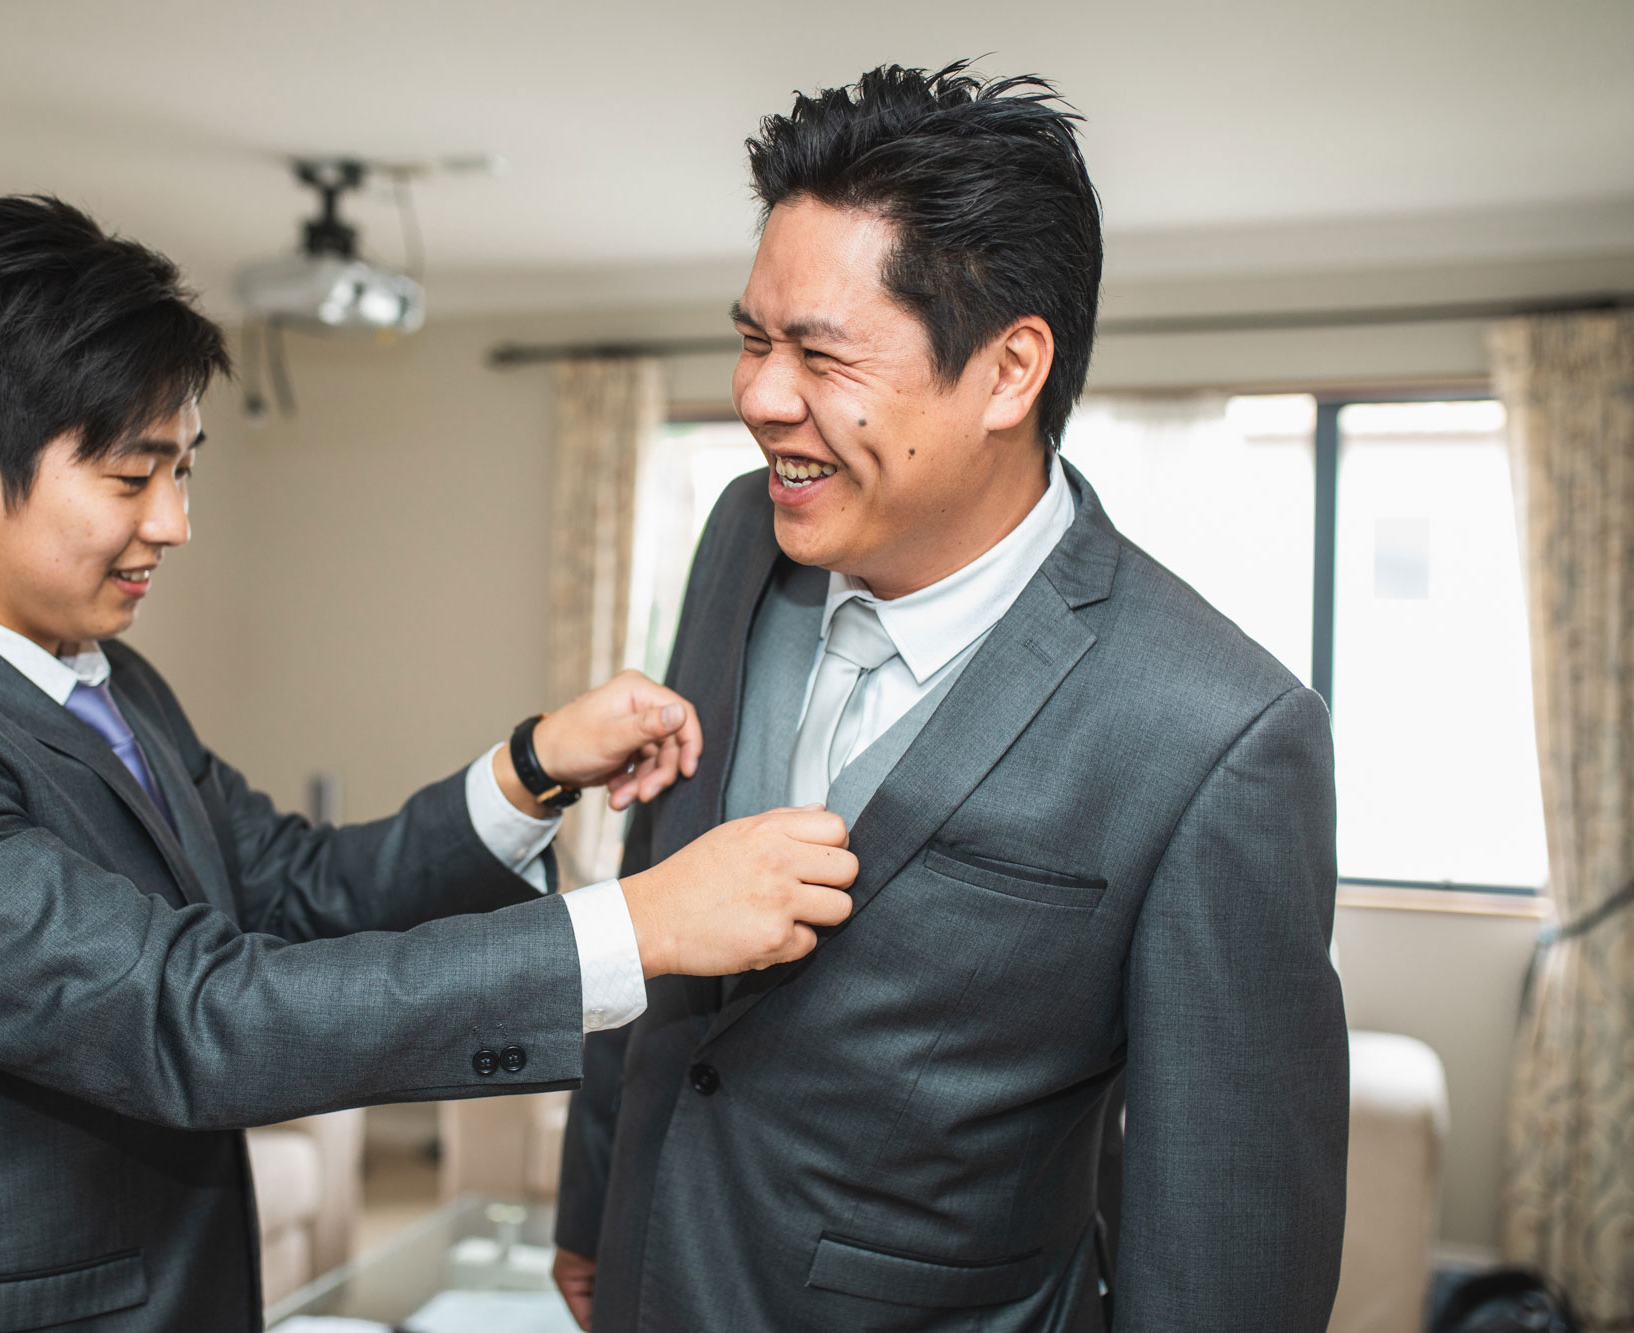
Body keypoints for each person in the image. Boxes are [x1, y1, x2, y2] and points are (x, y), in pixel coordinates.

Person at [0, 196, 856, 1332]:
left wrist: (529, 766)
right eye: (130, 475)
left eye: (184, 468)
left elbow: (297, 891)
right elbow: (186, 1016)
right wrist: (636, 925)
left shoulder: (105, 677)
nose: (174, 522)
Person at [554, 63, 1348, 1332]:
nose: (758, 397)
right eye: (753, 339)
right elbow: (660, 889)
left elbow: (1226, 1234)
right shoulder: (736, 539)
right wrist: (594, 1202)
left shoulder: (1218, 734)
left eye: (817, 352)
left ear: (1006, 371)